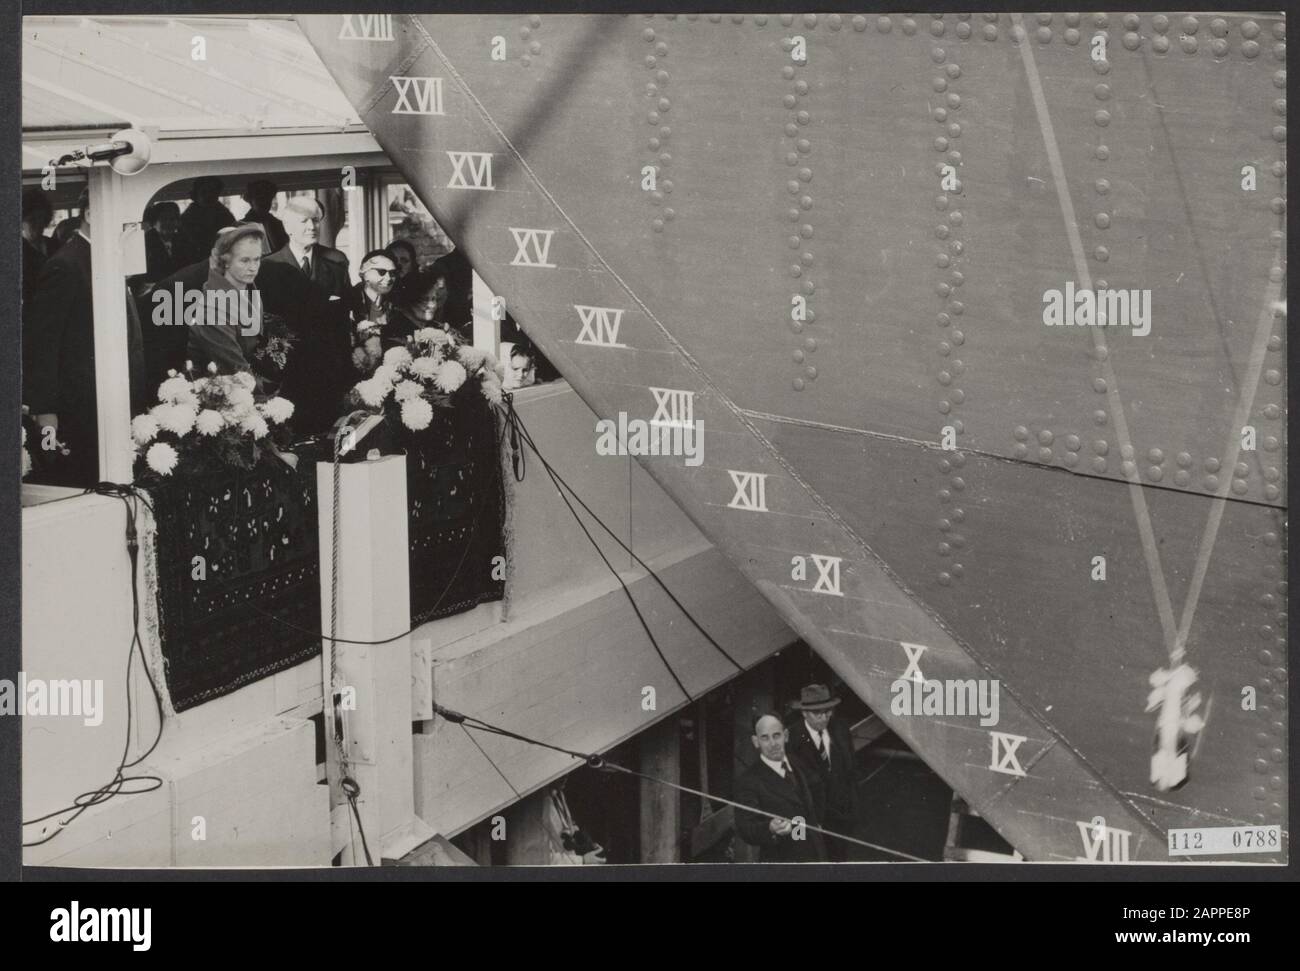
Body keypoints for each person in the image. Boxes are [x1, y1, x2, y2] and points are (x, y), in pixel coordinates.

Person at [23, 189, 97, 487]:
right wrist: (46, 410)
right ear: (91, 215)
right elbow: (43, 342)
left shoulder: (92, 257)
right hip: (73, 403)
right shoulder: (66, 264)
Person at [734, 712, 827, 863]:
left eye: (776, 735)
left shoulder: (798, 762)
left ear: (786, 735)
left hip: (817, 855)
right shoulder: (748, 780)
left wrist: (818, 821)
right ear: (756, 741)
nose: (773, 743)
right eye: (765, 737)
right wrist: (769, 827)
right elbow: (746, 827)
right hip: (782, 864)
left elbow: (818, 787)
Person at [786, 683, 860, 861]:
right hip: (807, 817)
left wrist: (852, 807)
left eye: (828, 711)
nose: (824, 717)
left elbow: (851, 769)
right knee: (806, 862)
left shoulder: (841, 729)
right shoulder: (791, 739)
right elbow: (790, 787)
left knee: (838, 861)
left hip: (840, 816)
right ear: (804, 713)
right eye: (817, 713)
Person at [265, 196, 350, 302]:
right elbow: (251, 316)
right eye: (304, 221)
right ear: (287, 227)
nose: (312, 227)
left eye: (315, 220)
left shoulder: (337, 264)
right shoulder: (265, 267)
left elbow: (345, 311)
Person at [179, 176, 236, 264]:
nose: (209, 196)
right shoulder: (187, 217)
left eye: (213, 192)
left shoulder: (224, 214)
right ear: (196, 194)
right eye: (204, 192)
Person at [22, 187, 53, 302]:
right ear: (21, 221)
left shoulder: (54, 243)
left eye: (40, 218)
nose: (38, 225)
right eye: (31, 220)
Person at [143, 201, 186, 283]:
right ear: (153, 222)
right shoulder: (144, 243)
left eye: (172, 219)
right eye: (164, 219)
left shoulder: (183, 240)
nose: (169, 223)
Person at [242, 179, 289, 253]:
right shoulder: (242, 226)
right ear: (251, 201)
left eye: (268, 199)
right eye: (260, 199)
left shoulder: (278, 224)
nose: (264, 203)